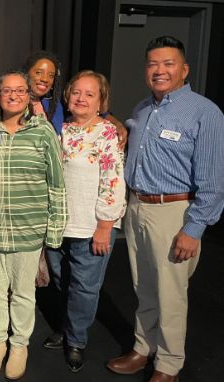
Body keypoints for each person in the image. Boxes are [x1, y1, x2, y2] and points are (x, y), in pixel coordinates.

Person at [107, 36, 224, 382]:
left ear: (184, 69)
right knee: (143, 286)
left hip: (175, 213)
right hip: (137, 207)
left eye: (168, 63)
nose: (160, 70)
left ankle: (169, 364)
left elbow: (214, 182)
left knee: (171, 295)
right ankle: (143, 349)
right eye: (153, 64)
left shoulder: (206, 113)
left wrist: (194, 228)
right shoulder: (143, 109)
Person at [0, 70, 67, 379]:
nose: (13, 95)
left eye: (20, 90)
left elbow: (57, 184)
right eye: (7, 91)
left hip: (29, 227)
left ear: (28, 95)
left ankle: (19, 344)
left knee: (24, 293)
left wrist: (54, 231)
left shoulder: (43, 132)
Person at [43, 70, 126, 373]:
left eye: (89, 94)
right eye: (76, 92)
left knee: (84, 288)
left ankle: (76, 339)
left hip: (92, 226)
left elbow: (114, 182)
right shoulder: (61, 131)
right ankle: (67, 328)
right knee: (61, 281)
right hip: (58, 224)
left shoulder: (107, 133)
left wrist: (105, 225)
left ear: (101, 100)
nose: (80, 98)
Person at [22, 50, 128, 146]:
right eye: (38, 73)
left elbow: (96, 110)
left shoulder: (56, 104)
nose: (45, 79)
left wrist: (117, 124)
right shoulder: (13, 102)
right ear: (26, 73)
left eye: (51, 75)